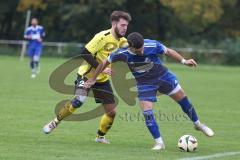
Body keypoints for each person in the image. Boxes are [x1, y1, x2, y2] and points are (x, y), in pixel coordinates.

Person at [84, 32, 214, 150]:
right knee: (147, 111)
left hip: (163, 77)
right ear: (131, 47)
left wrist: (184, 61)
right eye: (138, 50)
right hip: (144, 83)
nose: (142, 51)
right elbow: (105, 61)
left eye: (142, 48)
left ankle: (198, 125)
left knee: (183, 99)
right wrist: (94, 78)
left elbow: (168, 51)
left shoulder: (151, 44)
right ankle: (159, 143)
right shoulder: (121, 53)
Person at [43, 11, 131, 144]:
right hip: (86, 75)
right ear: (114, 23)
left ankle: (100, 137)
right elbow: (85, 53)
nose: (125, 28)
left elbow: (130, 51)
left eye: (127, 25)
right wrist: (102, 68)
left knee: (112, 112)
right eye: (123, 25)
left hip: (102, 80)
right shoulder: (102, 36)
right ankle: (55, 122)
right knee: (79, 100)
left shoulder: (123, 41)